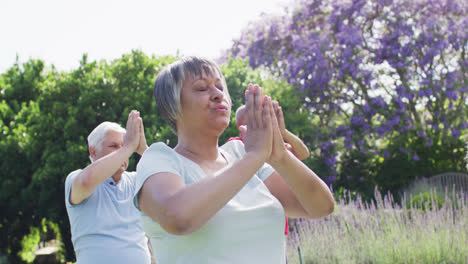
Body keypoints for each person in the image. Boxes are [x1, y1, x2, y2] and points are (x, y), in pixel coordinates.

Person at [134, 56, 335, 264]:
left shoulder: (240, 153)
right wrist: (255, 156)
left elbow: (321, 207)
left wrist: (279, 156)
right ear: (172, 105)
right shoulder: (159, 159)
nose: (217, 94)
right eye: (202, 88)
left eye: (220, 86)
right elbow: (178, 218)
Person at [64, 110, 153, 264]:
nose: (123, 152)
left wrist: (143, 148)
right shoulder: (76, 178)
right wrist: (127, 147)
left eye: (123, 145)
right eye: (114, 146)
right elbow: (86, 182)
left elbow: (172, 181)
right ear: (93, 151)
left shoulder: (135, 180)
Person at [226, 102, 311, 236]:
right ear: (241, 126)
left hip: (276, 225)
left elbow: (303, 153)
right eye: (255, 118)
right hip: (252, 227)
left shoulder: (272, 147)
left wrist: (283, 132)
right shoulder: (234, 147)